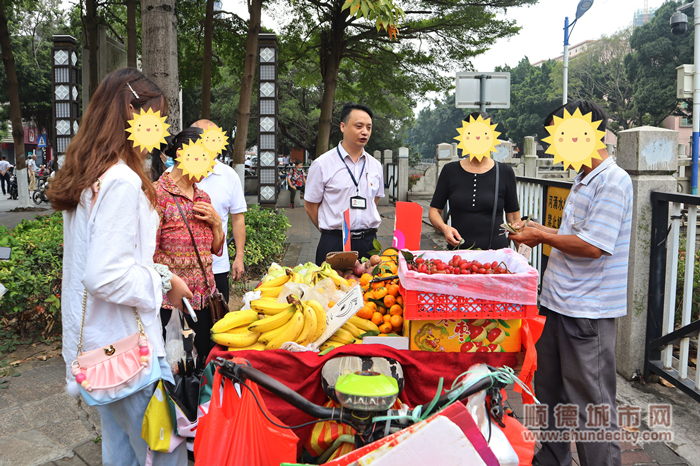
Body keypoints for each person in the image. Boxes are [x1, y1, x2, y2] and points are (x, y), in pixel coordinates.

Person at [48, 67, 190, 466]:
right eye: (156, 118)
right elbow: (105, 275)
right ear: (131, 112)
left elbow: (92, 265)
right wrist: (162, 284)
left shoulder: (90, 176)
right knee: (164, 455)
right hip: (131, 351)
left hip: (102, 350)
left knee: (121, 453)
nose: (160, 130)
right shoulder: (122, 181)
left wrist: (162, 277)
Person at [510, 100, 633, 466]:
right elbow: (572, 234)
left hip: (587, 312)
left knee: (590, 403)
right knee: (549, 392)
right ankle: (550, 459)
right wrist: (537, 230)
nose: (556, 147)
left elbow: (593, 246)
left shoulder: (613, 180)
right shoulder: (582, 179)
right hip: (558, 303)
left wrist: (541, 238)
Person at [154, 127, 225, 365]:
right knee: (179, 370)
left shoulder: (203, 196)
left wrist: (217, 225)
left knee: (205, 366)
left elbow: (214, 249)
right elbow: (147, 256)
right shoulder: (158, 195)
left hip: (206, 300)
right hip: (173, 305)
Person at [304, 103, 385, 264]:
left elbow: (374, 200)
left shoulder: (375, 165)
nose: (365, 132)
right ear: (343, 126)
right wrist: (329, 231)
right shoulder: (323, 164)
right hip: (335, 242)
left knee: (370, 288)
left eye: (368, 127)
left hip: (368, 242)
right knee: (330, 288)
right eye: (359, 126)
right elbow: (310, 205)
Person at [429, 112, 520, 250]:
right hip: (459, 256)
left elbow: (514, 220)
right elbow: (434, 210)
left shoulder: (505, 172)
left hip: (496, 256)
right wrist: (445, 228)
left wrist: (522, 256)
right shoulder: (450, 171)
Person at [191, 119, 247, 303]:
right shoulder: (177, 176)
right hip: (182, 268)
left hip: (217, 266)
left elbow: (237, 219)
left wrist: (239, 257)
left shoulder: (229, 175)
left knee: (218, 322)